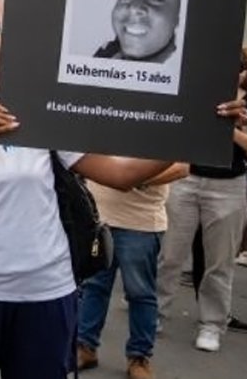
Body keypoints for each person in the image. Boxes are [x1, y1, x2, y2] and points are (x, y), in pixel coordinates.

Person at [0, 24, 243, 379]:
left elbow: (120, 175)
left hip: (47, 290)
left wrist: (198, 132)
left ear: (1, 66)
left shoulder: (39, 119)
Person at [157, 45, 247, 353]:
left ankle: (212, 324)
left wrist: (231, 130)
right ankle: (155, 313)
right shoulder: (196, 94)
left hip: (228, 185)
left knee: (219, 262)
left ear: (244, 72)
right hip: (187, 178)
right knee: (170, 254)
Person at [76, 162, 189, 379]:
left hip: (141, 222)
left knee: (140, 293)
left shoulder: (164, 128)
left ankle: (139, 357)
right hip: (97, 217)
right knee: (93, 286)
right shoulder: (100, 126)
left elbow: (181, 168)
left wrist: (131, 177)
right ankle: (85, 346)